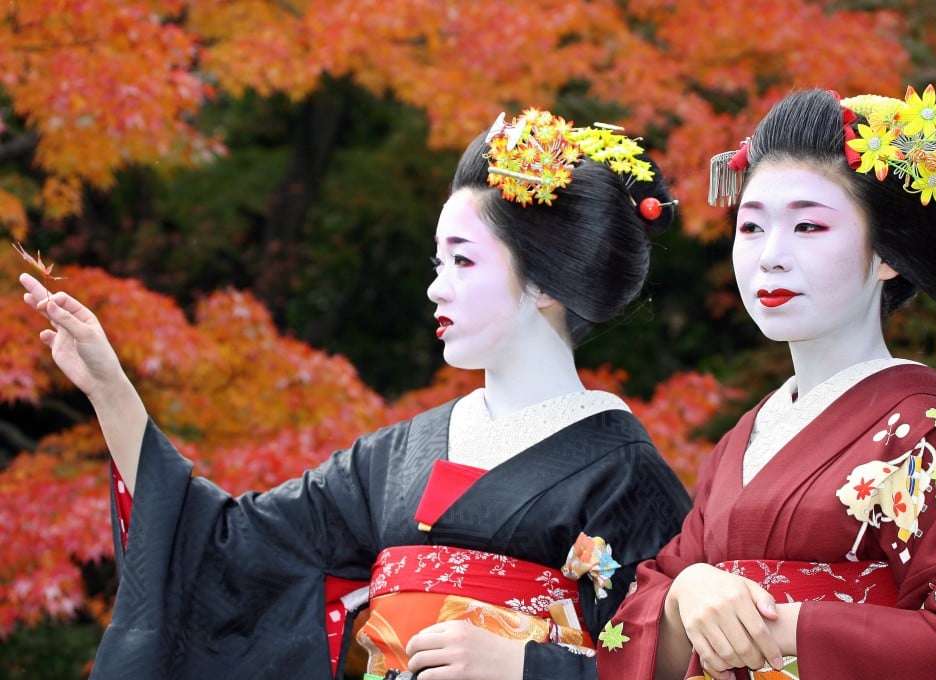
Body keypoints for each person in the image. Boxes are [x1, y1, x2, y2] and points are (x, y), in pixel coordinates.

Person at [20, 108, 692, 680]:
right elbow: (230, 545)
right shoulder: (399, 455)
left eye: (462, 260)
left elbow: (657, 658)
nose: (437, 287)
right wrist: (111, 390)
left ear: (547, 282)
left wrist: (523, 666)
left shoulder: (624, 476)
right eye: (438, 261)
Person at [595, 86, 936, 680]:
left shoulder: (925, 439)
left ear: (886, 254)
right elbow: (647, 605)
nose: (771, 256)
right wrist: (687, 592)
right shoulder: (742, 441)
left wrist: (786, 627)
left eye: (809, 227)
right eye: (751, 227)